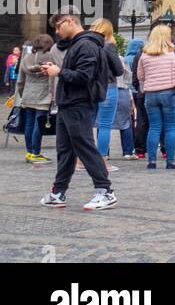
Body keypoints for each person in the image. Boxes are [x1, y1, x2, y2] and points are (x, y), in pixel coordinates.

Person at [37, 14, 117, 211]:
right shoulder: (77, 44)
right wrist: (56, 71)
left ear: (70, 21)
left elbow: (84, 76)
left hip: (78, 103)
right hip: (68, 103)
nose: (56, 32)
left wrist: (59, 72)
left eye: (58, 26)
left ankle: (105, 191)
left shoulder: (86, 45)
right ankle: (58, 192)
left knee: (84, 146)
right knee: (65, 149)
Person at [135, 22, 175, 169]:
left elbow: (140, 76)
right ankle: (170, 161)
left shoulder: (145, 53)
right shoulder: (174, 51)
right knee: (170, 128)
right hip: (170, 92)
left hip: (151, 94)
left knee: (154, 127)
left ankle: (152, 161)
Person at [88, 20, 125, 175]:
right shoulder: (108, 46)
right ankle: (102, 161)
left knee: (87, 124)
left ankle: (82, 160)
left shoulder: (86, 44)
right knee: (105, 125)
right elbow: (119, 70)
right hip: (108, 87)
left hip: (90, 88)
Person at [17, 34, 55, 162]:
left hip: (28, 95)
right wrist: (53, 95)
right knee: (39, 125)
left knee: (29, 123)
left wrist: (23, 94)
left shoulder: (27, 58)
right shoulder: (51, 57)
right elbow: (53, 78)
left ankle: (29, 152)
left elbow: (20, 81)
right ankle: (36, 153)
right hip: (44, 96)